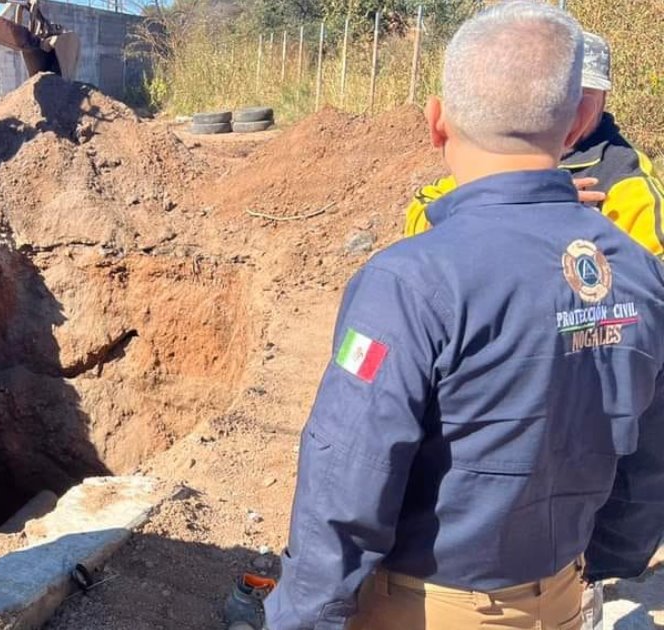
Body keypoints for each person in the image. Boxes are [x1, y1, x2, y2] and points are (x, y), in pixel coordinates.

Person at [262, 3, 664, 629]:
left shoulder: (408, 280)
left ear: (437, 120)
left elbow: (347, 475)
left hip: (429, 609)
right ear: (580, 120)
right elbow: (649, 453)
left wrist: (304, 616)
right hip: (564, 597)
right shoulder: (639, 271)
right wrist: (609, 558)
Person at [404, 31, 664, 258]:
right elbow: (418, 218)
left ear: (602, 98)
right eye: (556, 91)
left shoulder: (623, 175)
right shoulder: (509, 149)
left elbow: (652, 285)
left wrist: (573, 223)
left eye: (582, 93)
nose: (566, 106)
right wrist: (511, 201)